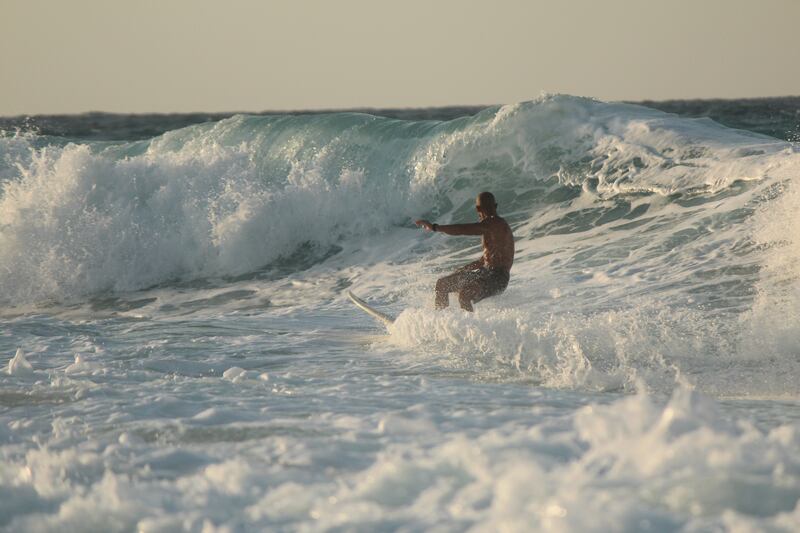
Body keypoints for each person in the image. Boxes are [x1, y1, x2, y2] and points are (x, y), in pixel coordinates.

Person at [415, 192, 514, 312]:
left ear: (478, 208)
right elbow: (484, 261)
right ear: (496, 206)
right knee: (442, 284)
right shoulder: (493, 228)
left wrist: (435, 227)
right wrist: (463, 270)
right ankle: (441, 320)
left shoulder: (495, 223)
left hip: (498, 278)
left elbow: (463, 229)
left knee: (465, 295)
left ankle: (471, 328)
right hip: (485, 273)